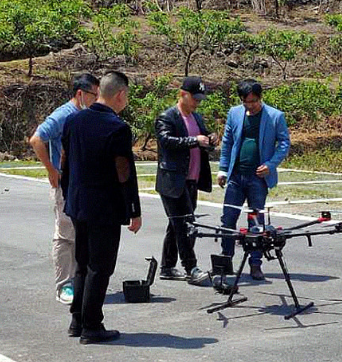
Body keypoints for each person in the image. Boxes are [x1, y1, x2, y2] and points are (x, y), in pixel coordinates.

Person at [61, 70, 142, 345]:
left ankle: (77, 320)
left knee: (82, 264)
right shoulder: (117, 127)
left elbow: (65, 165)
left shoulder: (74, 121)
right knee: (101, 267)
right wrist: (133, 209)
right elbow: (124, 173)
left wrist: (67, 197)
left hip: (78, 204)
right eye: (127, 95)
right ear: (119, 94)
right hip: (104, 208)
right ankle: (92, 326)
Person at [29, 73, 100, 304]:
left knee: (81, 234)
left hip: (81, 185)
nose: (96, 99)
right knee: (65, 235)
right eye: (93, 95)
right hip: (64, 185)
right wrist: (51, 169)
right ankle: (64, 285)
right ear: (80, 93)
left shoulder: (87, 115)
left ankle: (78, 280)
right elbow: (36, 139)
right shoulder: (64, 114)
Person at [217, 79, 290, 281]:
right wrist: (223, 169)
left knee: (255, 221)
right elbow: (228, 142)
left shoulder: (275, 116)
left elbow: (284, 143)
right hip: (236, 176)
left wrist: (271, 164)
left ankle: (255, 263)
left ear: (260, 98)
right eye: (246, 101)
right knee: (228, 219)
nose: (251, 105)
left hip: (258, 178)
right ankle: (226, 259)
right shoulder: (234, 113)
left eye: (254, 101)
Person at [155, 76, 217, 286]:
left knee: (177, 224)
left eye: (199, 99)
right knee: (186, 225)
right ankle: (191, 267)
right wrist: (194, 140)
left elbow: (204, 139)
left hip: (191, 179)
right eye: (194, 98)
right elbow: (166, 141)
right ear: (183, 94)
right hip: (173, 181)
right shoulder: (167, 117)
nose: (197, 103)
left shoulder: (196, 118)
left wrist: (211, 139)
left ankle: (167, 267)